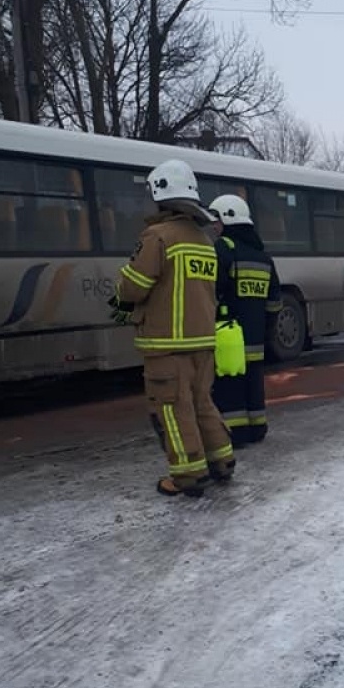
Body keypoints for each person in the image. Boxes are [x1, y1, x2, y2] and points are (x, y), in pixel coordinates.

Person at [108, 159, 236, 498]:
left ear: (159, 195)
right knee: (201, 403)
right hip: (202, 342)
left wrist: (120, 290)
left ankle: (187, 476)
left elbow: (133, 288)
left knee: (173, 408)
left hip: (167, 343)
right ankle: (222, 461)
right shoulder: (204, 240)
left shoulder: (157, 237)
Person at [209, 194, 282, 446]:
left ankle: (235, 433)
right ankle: (257, 427)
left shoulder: (223, 249)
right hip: (256, 335)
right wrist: (267, 329)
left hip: (229, 335)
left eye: (216, 220)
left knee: (229, 383)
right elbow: (275, 302)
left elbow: (213, 290)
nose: (214, 226)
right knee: (253, 381)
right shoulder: (263, 258)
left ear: (228, 220)